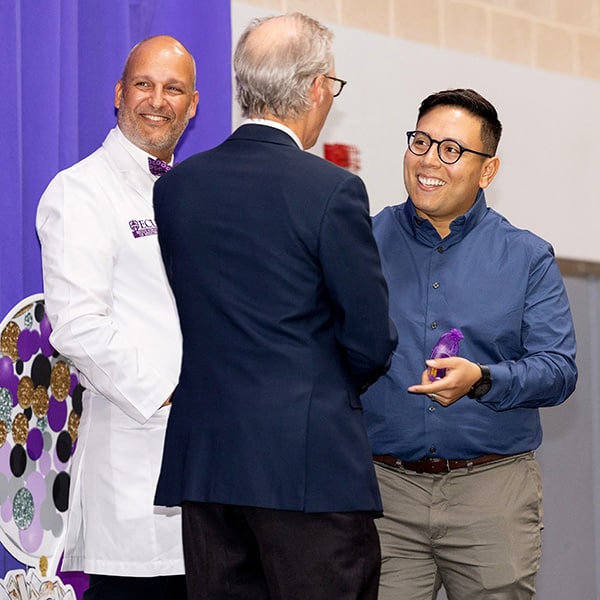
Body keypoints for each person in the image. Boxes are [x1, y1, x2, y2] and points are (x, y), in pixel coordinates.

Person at [152, 12, 398, 600]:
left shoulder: (176, 189)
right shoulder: (332, 190)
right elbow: (369, 339)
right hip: (309, 471)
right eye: (332, 88)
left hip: (209, 465)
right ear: (315, 88)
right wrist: (315, 395)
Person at [362, 88, 577, 600]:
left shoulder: (527, 257)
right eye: (421, 142)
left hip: (492, 493)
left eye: (451, 150)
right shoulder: (360, 241)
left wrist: (483, 379)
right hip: (383, 493)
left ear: (488, 170)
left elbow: (558, 369)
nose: (429, 160)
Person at [36, 35, 198, 599]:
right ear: (118, 94)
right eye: (144, 84)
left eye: (173, 88)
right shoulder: (79, 191)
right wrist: (171, 395)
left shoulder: (192, 194)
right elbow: (78, 325)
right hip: (133, 474)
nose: (158, 100)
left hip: (205, 486)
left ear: (194, 104)